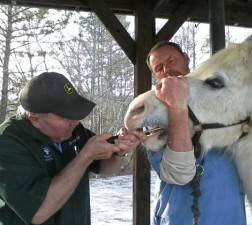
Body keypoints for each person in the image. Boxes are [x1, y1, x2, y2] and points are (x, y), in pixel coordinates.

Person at [0, 72, 145, 225]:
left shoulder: (74, 130)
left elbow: (106, 169)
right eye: (65, 116)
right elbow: (38, 212)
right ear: (36, 119)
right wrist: (85, 156)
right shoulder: (8, 142)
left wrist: (118, 151)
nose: (75, 121)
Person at [146, 41, 247, 225]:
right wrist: (176, 106)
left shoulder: (221, 96)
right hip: (179, 217)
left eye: (172, 61)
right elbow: (177, 173)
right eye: (159, 68)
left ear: (186, 58)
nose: (167, 70)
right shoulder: (155, 113)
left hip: (230, 215)